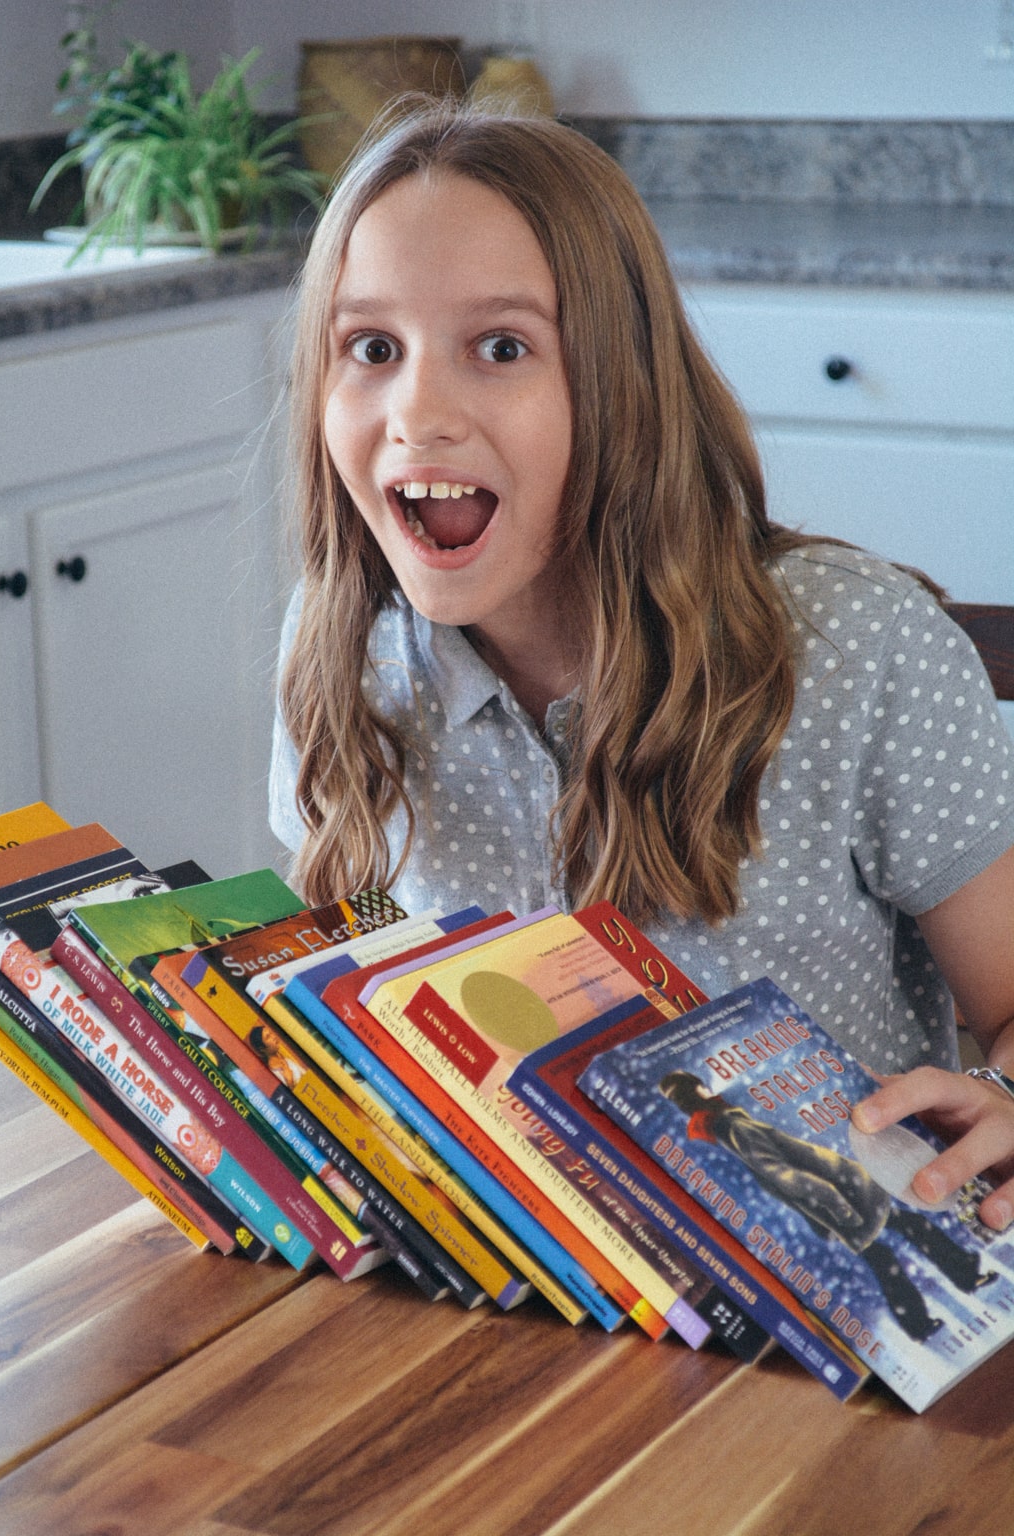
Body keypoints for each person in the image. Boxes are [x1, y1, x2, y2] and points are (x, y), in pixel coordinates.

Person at [268, 101, 1014, 1231]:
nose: (416, 411)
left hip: (830, 1308)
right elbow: (339, 996)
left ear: (621, 387)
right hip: (515, 1286)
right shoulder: (345, 653)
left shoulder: (858, 653)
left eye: (502, 347)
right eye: (372, 349)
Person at [658, 1071, 995, 1341]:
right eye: (702, 1087)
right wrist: (835, 1204)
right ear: (698, 1093)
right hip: (842, 1200)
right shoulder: (732, 1126)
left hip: (846, 1196)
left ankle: (937, 1304)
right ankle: (931, 1310)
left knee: (895, 1245)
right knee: (890, 1251)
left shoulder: (730, 1122)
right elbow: (783, 1175)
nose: (710, 1088)